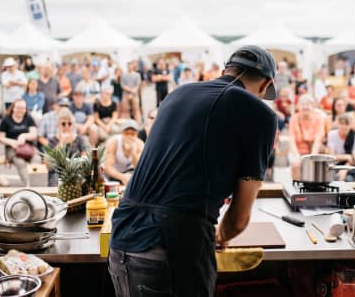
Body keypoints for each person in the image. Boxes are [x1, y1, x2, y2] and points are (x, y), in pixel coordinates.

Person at [109, 45, 277, 296]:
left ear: (224, 71)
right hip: (170, 250)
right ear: (265, 85)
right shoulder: (261, 114)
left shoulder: (179, 93)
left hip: (122, 237)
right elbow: (239, 218)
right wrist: (222, 236)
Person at [0, 99, 37, 186]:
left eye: (23, 108)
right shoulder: (6, 120)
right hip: (12, 149)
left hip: (28, 147)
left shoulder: (28, 118)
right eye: (18, 108)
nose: (21, 110)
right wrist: (12, 142)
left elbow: (34, 134)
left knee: (36, 160)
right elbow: (0, 138)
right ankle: (28, 185)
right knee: (20, 163)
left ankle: (36, 184)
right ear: (13, 108)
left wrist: (24, 136)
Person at [47, 108, 89, 185]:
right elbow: (49, 162)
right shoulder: (52, 140)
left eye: (69, 123)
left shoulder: (79, 139)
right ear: (58, 125)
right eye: (63, 124)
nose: (66, 126)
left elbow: (84, 158)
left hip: (76, 172)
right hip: (58, 173)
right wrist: (62, 142)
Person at [289, 95, 325, 179]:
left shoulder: (318, 118)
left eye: (308, 104)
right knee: (295, 165)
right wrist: (297, 156)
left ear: (313, 106)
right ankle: (296, 188)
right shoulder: (294, 119)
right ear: (298, 106)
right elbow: (292, 140)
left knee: (314, 166)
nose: (305, 107)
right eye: (302, 104)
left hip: (313, 150)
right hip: (297, 151)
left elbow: (318, 140)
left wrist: (312, 156)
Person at [104, 119, 144, 185]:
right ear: (122, 133)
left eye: (132, 134)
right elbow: (108, 167)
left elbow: (138, 167)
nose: (129, 136)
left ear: (137, 134)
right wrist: (122, 177)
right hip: (112, 173)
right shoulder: (113, 142)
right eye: (127, 133)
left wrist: (133, 152)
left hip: (127, 172)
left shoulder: (140, 144)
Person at [326, 114, 355, 181]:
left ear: (350, 125)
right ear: (338, 124)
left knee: (349, 179)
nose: (344, 126)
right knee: (334, 178)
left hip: (349, 166)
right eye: (341, 124)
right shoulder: (331, 134)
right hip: (335, 166)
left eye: (346, 124)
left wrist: (344, 169)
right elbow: (331, 156)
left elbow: (354, 158)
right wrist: (347, 156)